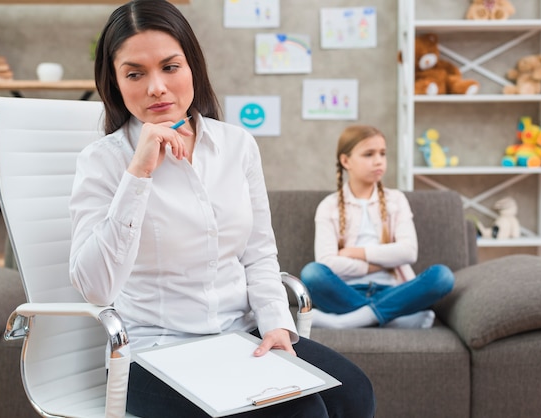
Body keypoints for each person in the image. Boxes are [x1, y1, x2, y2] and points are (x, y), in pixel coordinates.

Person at [68, 1, 376, 417]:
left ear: (193, 66)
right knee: (303, 415)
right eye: (135, 73)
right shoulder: (102, 160)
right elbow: (95, 288)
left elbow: (259, 251)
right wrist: (137, 173)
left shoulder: (237, 145)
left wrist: (275, 325)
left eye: (170, 67)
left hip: (239, 337)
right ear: (116, 82)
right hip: (153, 353)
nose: (156, 86)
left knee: (354, 394)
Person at [300, 125, 455, 330]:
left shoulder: (396, 200)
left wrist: (356, 252)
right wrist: (382, 262)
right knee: (312, 273)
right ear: (346, 161)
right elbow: (327, 262)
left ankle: (346, 322)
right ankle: (394, 319)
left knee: (442, 276)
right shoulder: (329, 206)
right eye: (368, 154)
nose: (378, 160)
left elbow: (409, 252)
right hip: (345, 291)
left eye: (382, 153)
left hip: (393, 291)